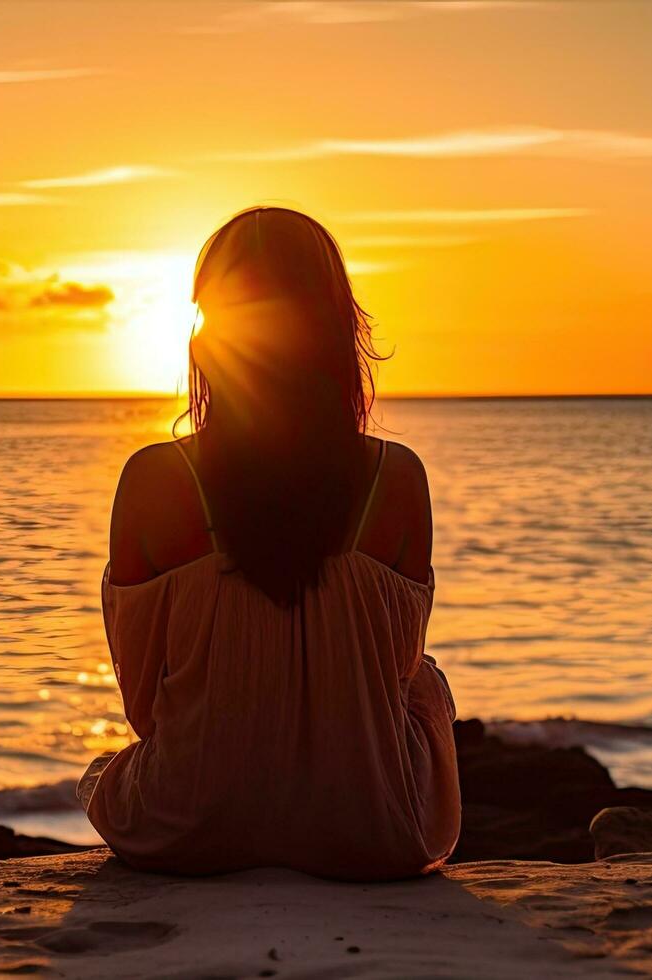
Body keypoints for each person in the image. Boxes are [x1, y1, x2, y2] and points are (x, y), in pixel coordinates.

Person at [81, 206, 459, 881]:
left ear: (207, 331)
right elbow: (391, 680)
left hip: (186, 829)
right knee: (426, 684)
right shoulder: (397, 478)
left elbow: (145, 711)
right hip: (371, 833)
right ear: (338, 331)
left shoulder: (152, 481)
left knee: (102, 775)